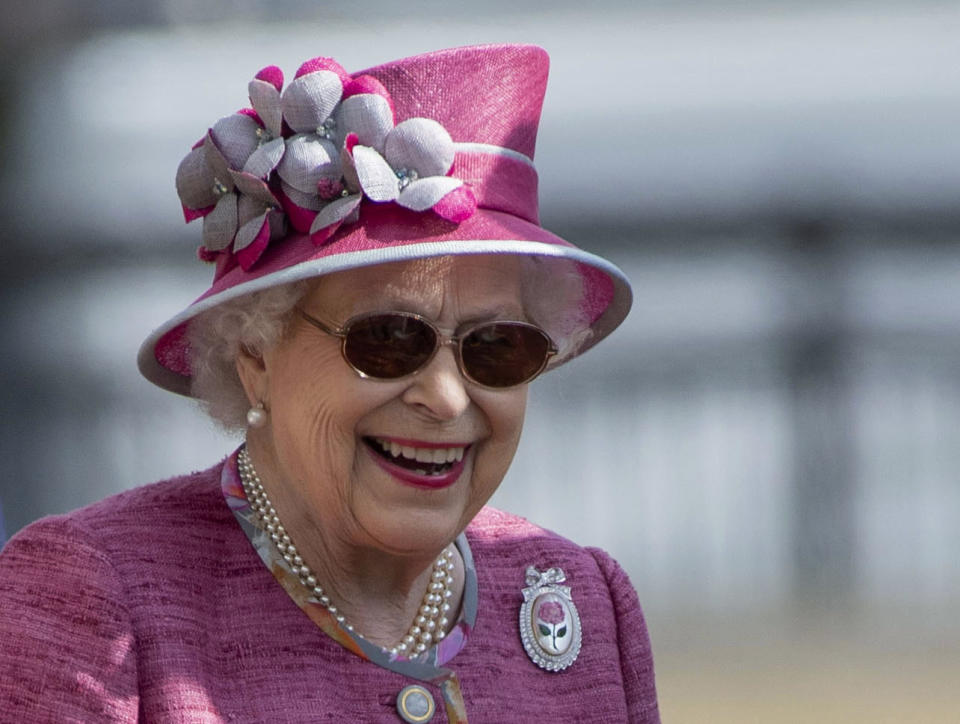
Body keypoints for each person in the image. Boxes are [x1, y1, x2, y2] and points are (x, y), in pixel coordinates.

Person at [0, 44, 658, 722]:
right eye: (390, 339)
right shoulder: (101, 597)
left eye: (497, 349)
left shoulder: (581, 600)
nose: (447, 397)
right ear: (257, 355)